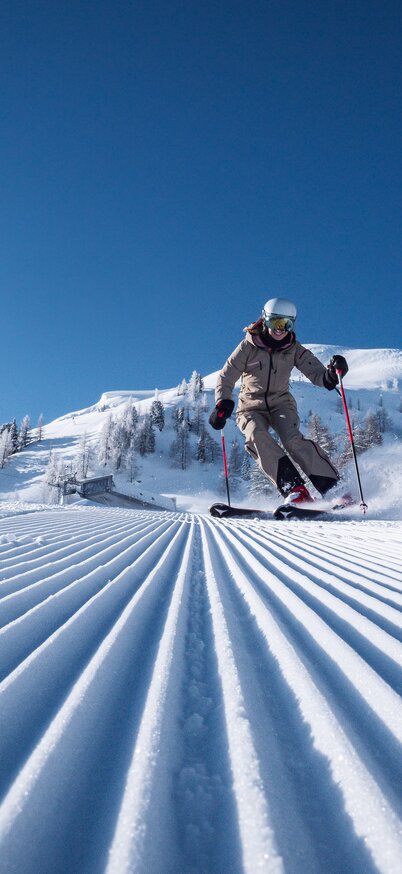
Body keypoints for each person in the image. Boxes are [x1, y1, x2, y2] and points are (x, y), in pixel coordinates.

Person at [209, 297, 348, 505]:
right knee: (256, 435)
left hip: (281, 404)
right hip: (250, 406)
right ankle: (296, 490)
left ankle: (334, 488)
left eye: (286, 324)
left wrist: (330, 375)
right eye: (275, 323)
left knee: (293, 440)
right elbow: (226, 376)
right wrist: (222, 402)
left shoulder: (294, 349)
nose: (280, 329)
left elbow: (317, 373)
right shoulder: (248, 346)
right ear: (265, 320)